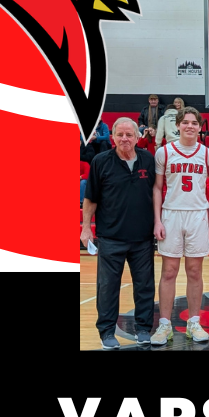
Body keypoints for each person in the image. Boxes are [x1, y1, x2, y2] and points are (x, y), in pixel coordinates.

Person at [81, 118, 156, 349]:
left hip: (142, 238)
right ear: (112, 136)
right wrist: (86, 228)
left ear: (136, 136)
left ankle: (143, 330)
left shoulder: (148, 160)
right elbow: (90, 198)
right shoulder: (100, 161)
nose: (124, 139)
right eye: (120, 134)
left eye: (129, 134)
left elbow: (156, 193)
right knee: (107, 287)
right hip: (110, 237)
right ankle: (106, 332)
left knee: (144, 286)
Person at [151, 106, 209, 345]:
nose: (190, 126)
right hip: (171, 214)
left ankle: (194, 322)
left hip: (197, 215)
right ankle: (164, 325)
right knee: (169, 271)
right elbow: (157, 188)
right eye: (186, 122)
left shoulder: (207, 154)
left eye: (194, 123)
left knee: (194, 271)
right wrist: (157, 220)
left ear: (200, 128)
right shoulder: (164, 152)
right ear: (178, 125)